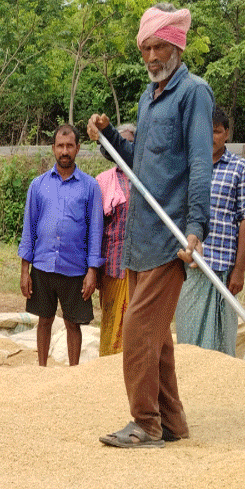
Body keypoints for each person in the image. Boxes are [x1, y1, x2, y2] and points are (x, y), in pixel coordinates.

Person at [88, 3, 214, 448]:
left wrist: (197, 226)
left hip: (170, 238)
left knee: (139, 331)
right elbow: (137, 163)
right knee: (157, 340)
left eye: (159, 45)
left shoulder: (194, 93)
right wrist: (108, 138)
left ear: (176, 45)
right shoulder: (148, 96)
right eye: (145, 47)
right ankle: (173, 423)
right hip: (138, 239)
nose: (151, 56)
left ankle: (145, 423)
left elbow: (200, 164)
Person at [19, 124, 103, 366]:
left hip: (75, 267)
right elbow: (29, 228)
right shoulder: (38, 185)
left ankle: (73, 374)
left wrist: (92, 271)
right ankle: (41, 369)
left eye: (69, 146)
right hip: (43, 265)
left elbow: (95, 231)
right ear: (53, 149)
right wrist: (25, 270)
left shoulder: (90, 187)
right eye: (60, 146)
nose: (64, 151)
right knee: (44, 320)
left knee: (72, 323)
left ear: (78, 148)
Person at [175, 107, 245, 356]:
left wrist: (239, 270)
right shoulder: (187, 167)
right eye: (205, 132)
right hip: (190, 264)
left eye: (217, 132)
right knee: (188, 338)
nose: (210, 137)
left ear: (226, 134)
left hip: (222, 267)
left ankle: (218, 390)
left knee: (220, 343)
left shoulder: (241, 169)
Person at [95, 122, 136, 356]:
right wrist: (95, 269)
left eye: (130, 143)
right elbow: (96, 229)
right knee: (112, 325)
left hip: (141, 266)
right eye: (120, 143)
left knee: (138, 324)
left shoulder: (148, 177)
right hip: (112, 267)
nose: (124, 147)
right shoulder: (103, 181)